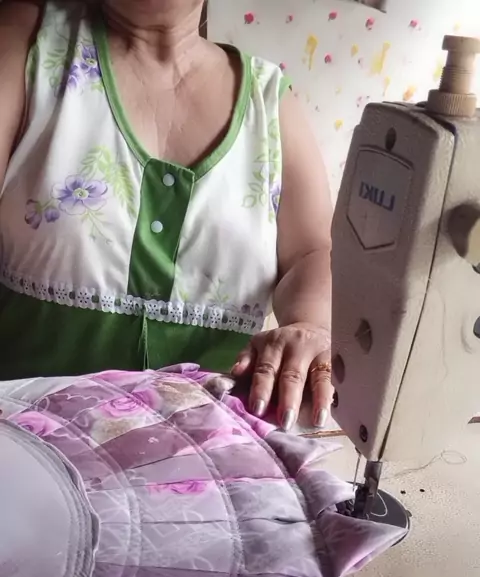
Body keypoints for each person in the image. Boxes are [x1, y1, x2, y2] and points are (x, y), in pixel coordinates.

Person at [0, 0, 333, 430]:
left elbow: (311, 252)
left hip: (204, 451)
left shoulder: (267, 98)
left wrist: (309, 325)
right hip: (21, 442)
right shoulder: (27, 39)